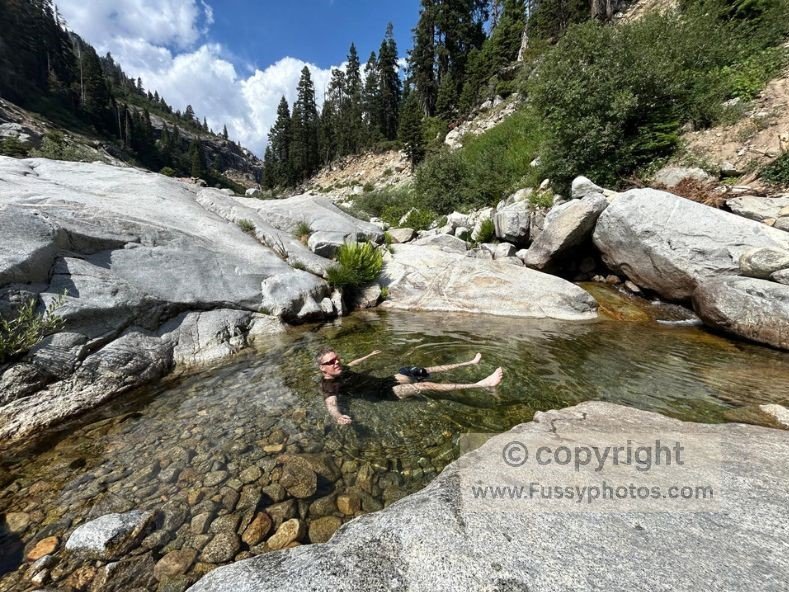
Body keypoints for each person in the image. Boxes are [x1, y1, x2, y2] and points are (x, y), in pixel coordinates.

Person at [317, 348, 504, 425]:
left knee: (421, 371)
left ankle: (469, 363)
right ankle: (481, 384)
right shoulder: (329, 385)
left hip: (386, 381)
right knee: (426, 386)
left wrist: (370, 355)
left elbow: (353, 363)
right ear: (322, 368)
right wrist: (338, 416)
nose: (336, 362)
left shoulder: (341, 368)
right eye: (331, 362)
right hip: (385, 393)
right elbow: (331, 404)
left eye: (336, 358)